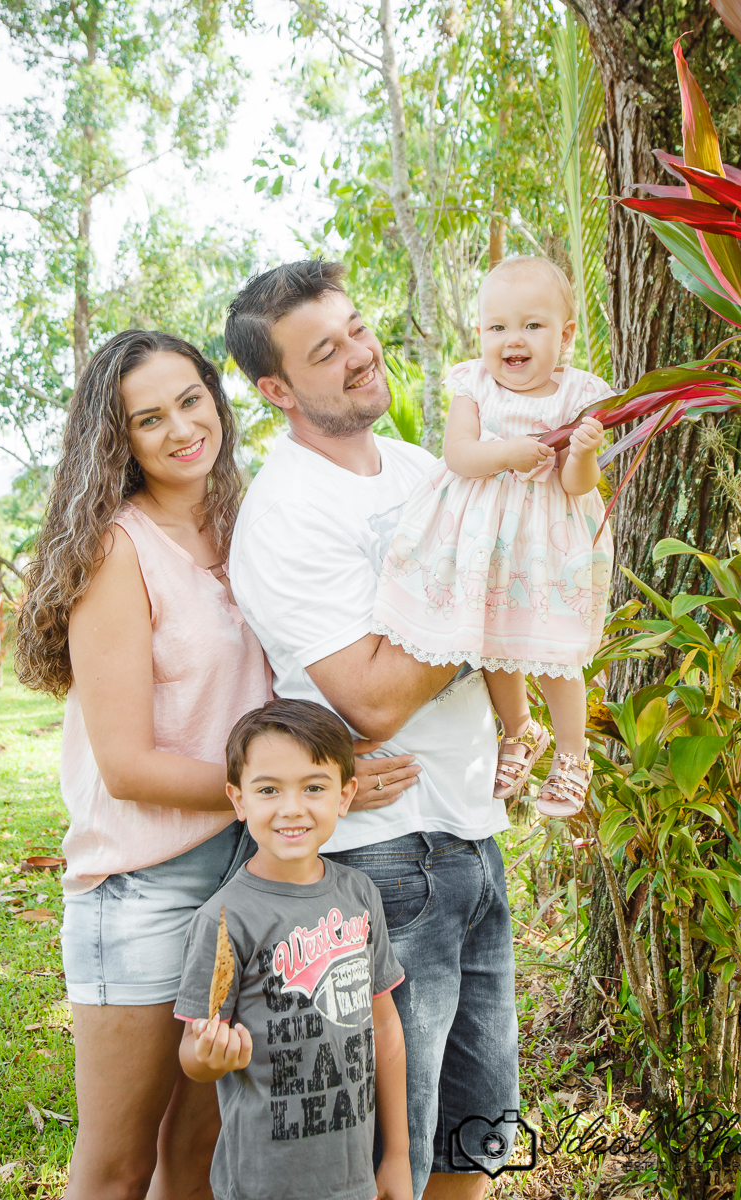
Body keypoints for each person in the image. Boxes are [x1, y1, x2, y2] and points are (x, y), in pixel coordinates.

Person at [14, 330, 415, 1200]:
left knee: (197, 1148)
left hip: (248, 877)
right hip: (143, 886)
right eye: (146, 418)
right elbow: (125, 766)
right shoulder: (116, 551)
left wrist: (310, 783)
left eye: (190, 400)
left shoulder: (241, 525)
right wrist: (285, 795)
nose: (179, 428)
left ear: (218, 398)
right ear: (115, 441)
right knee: (119, 1162)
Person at [225, 260, 519, 1200]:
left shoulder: (416, 465)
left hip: (469, 833)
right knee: (385, 1151)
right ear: (276, 390)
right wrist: (491, 595)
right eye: (326, 350)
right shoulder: (285, 515)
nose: (360, 354)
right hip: (388, 864)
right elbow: (376, 700)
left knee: (471, 1138)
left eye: (356, 327)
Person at [373, 256, 614, 818]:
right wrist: (507, 452)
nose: (514, 340)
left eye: (533, 325)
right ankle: (520, 729)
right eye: (498, 327)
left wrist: (581, 455)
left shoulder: (578, 394)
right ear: (480, 334)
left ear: (566, 334)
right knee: (492, 639)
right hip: (484, 540)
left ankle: (574, 754)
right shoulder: (473, 384)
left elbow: (580, 486)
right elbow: (459, 454)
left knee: (553, 651)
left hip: (547, 541)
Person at [175, 699, 413, 1200]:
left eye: (313, 787)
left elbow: (385, 1027)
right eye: (267, 790)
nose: (291, 808)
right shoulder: (224, 920)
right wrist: (211, 1057)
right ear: (239, 800)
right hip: (263, 1182)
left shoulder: (359, 894)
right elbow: (192, 1053)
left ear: (344, 795)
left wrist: (396, 1155)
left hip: (353, 1178)